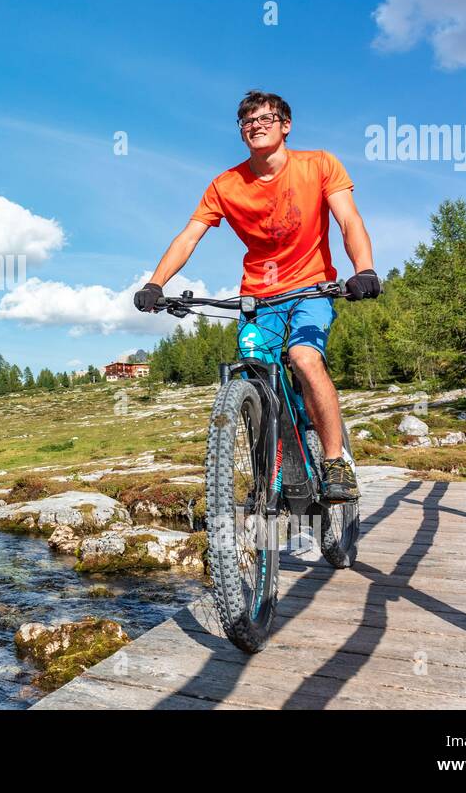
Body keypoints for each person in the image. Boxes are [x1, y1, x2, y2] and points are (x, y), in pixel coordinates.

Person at [134, 90, 380, 502]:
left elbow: (349, 219)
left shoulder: (319, 164)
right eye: (247, 121)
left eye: (266, 118)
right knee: (251, 371)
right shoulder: (226, 185)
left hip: (313, 288)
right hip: (259, 297)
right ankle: (270, 475)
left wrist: (364, 269)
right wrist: (156, 284)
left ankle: (336, 462)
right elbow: (189, 236)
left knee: (304, 358)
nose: (256, 125)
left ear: (286, 125)